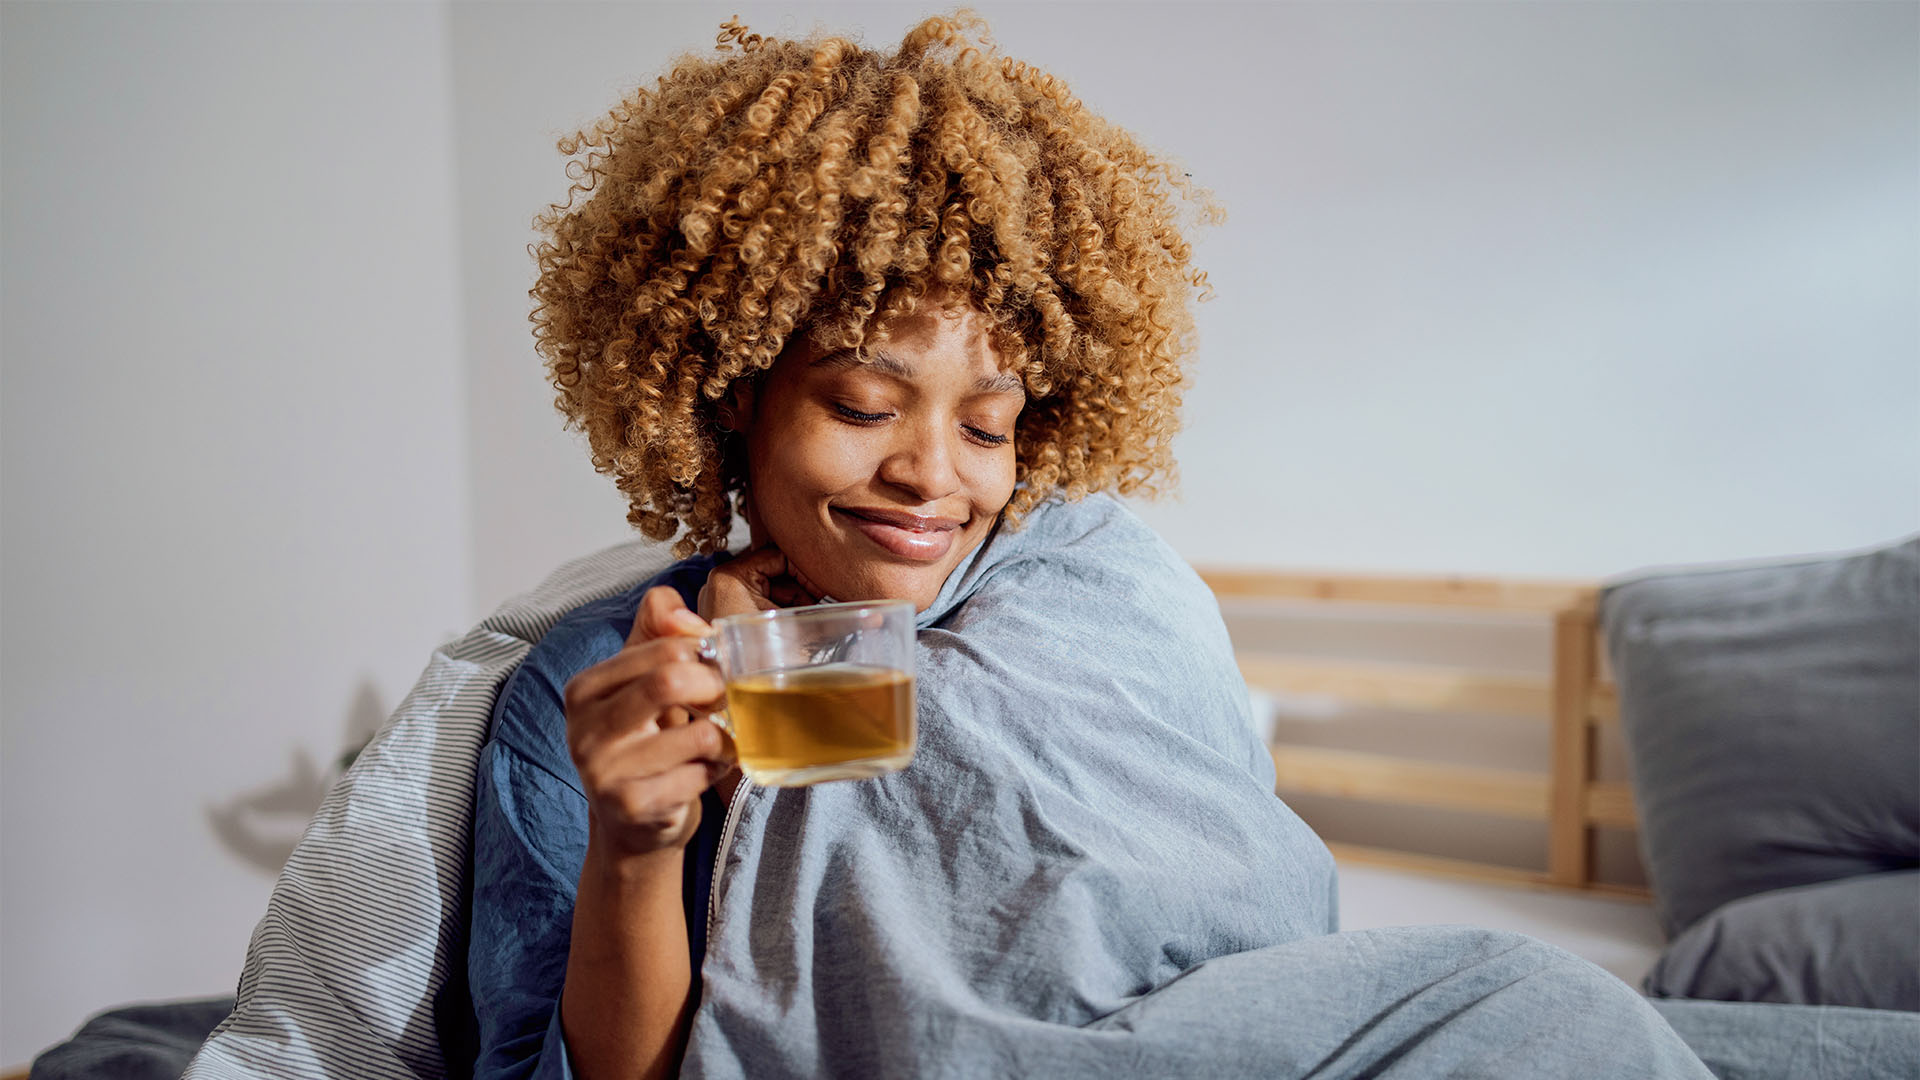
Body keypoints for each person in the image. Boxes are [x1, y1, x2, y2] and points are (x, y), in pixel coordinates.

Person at [467, 12, 1717, 1080]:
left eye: (991, 424)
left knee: (1546, 1012)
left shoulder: (1099, 579)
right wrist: (642, 846)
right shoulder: (604, 684)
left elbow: (1263, 922)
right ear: (733, 387)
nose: (932, 476)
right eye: (861, 407)